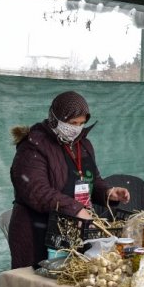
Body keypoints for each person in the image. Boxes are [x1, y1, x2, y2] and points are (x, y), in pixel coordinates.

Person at [9, 91, 130, 269]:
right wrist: (75, 209)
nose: (76, 128)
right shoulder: (33, 146)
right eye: (72, 123)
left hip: (72, 233)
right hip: (37, 232)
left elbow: (91, 180)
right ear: (55, 118)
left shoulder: (83, 145)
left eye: (81, 123)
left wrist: (108, 192)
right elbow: (36, 191)